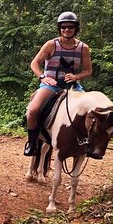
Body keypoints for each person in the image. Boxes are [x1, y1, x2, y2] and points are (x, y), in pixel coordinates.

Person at [24, 12, 92, 156]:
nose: (67, 30)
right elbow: (34, 63)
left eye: (70, 27)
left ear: (76, 28)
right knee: (32, 110)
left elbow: (88, 71)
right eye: (64, 27)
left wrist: (76, 76)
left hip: (72, 86)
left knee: (91, 111)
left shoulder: (83, 48)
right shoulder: (51, 44)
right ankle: (32, 142)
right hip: (52, 85)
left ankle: (88, 142)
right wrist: (42, 77)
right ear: (59, 28)